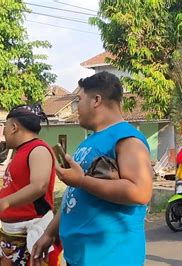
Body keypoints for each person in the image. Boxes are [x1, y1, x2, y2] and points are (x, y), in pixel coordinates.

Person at [31, 72, 153, 266]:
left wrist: (81, 180)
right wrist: (49, 233)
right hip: (80, 257)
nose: (75, 107)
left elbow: (140, 192)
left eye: (79, 100)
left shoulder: (126, 138)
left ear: (96, 100)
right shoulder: (89, 141)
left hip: (111, 258)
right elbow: (74, 196)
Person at [0, 104, 58, 265]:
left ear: (13, 127)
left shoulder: (38, 150)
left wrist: (4, 203)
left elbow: (39, 186)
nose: (3, 132)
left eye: (4, 127)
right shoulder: (21, 151)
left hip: (29, 232)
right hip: (9, 233)